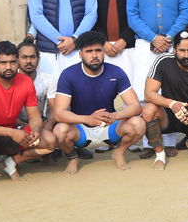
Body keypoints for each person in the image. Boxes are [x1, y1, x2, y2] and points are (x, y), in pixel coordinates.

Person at [0, 41, 56, 190]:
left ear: (17, 62)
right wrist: (11, 132)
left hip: (10, 129)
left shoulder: (25, 82)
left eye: (12, 62)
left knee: (50, 140)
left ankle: (9, 162)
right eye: (3, 62)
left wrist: (36, 129)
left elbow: (34, 117)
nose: (8, 67)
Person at [50, 30, 146, 174]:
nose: (94, 55)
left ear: (103, 51)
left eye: (98, 50)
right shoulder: (68, 75)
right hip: (80, 130)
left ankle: (119, 152)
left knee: (138, 124)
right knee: (59, 130)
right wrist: (88, 119)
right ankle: (72, 158)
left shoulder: (116, 72)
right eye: (89, 51)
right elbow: (59, 113)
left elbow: (135, 106)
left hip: (109, 127)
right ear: (80, 54)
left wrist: (115, 116)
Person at [139, 32, 188, 168]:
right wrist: (172, 104)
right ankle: (160, 154)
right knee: (147, 110)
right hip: (167, 114)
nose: (186, 55)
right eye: (182, 50)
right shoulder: (163, 61)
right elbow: (149, 94)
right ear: (174, 49)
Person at [89, 0, 138, 88]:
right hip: (101, 48)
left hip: (128, 47)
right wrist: (102, 41)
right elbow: (89, 16)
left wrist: (125, 39)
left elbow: (138, 14)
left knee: (131, 92)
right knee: (99, 92)